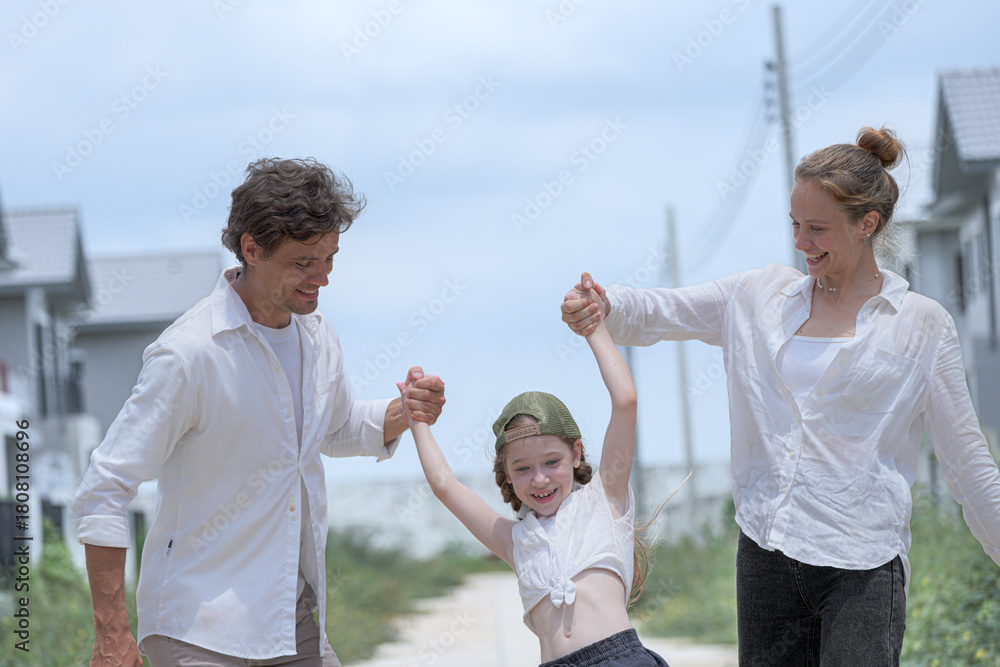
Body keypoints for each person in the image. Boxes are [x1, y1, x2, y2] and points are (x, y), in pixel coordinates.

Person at [561, 126, 1000, 664]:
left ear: (867, 224)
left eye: (817, 228)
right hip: (766, 558)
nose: (800, 242)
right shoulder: (757, 297)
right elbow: (658, 311)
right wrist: (604, 305)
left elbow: (968, 465)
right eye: (795, 224)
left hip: (862, 568)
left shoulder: (921, 326)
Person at [73, 157, 446, 667]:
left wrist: (404, 410)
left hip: (291, 619)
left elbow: (333, 428)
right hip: (196, 630)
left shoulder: (319, 337)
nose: (322, 278)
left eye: (330, 259)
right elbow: (104, 489)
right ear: (251, 249)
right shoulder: (188, 354)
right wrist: (112, 634)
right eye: (304, 262)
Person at [397, 280, 669, 667]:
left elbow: (625, 400)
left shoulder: (605, 500)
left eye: (551, 462)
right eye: (523, 468)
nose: (539, 478)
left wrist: (593, 327)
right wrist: (418, 421)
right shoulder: (514, 540)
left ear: (576, 453)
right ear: (506, 475)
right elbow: (444, 484)